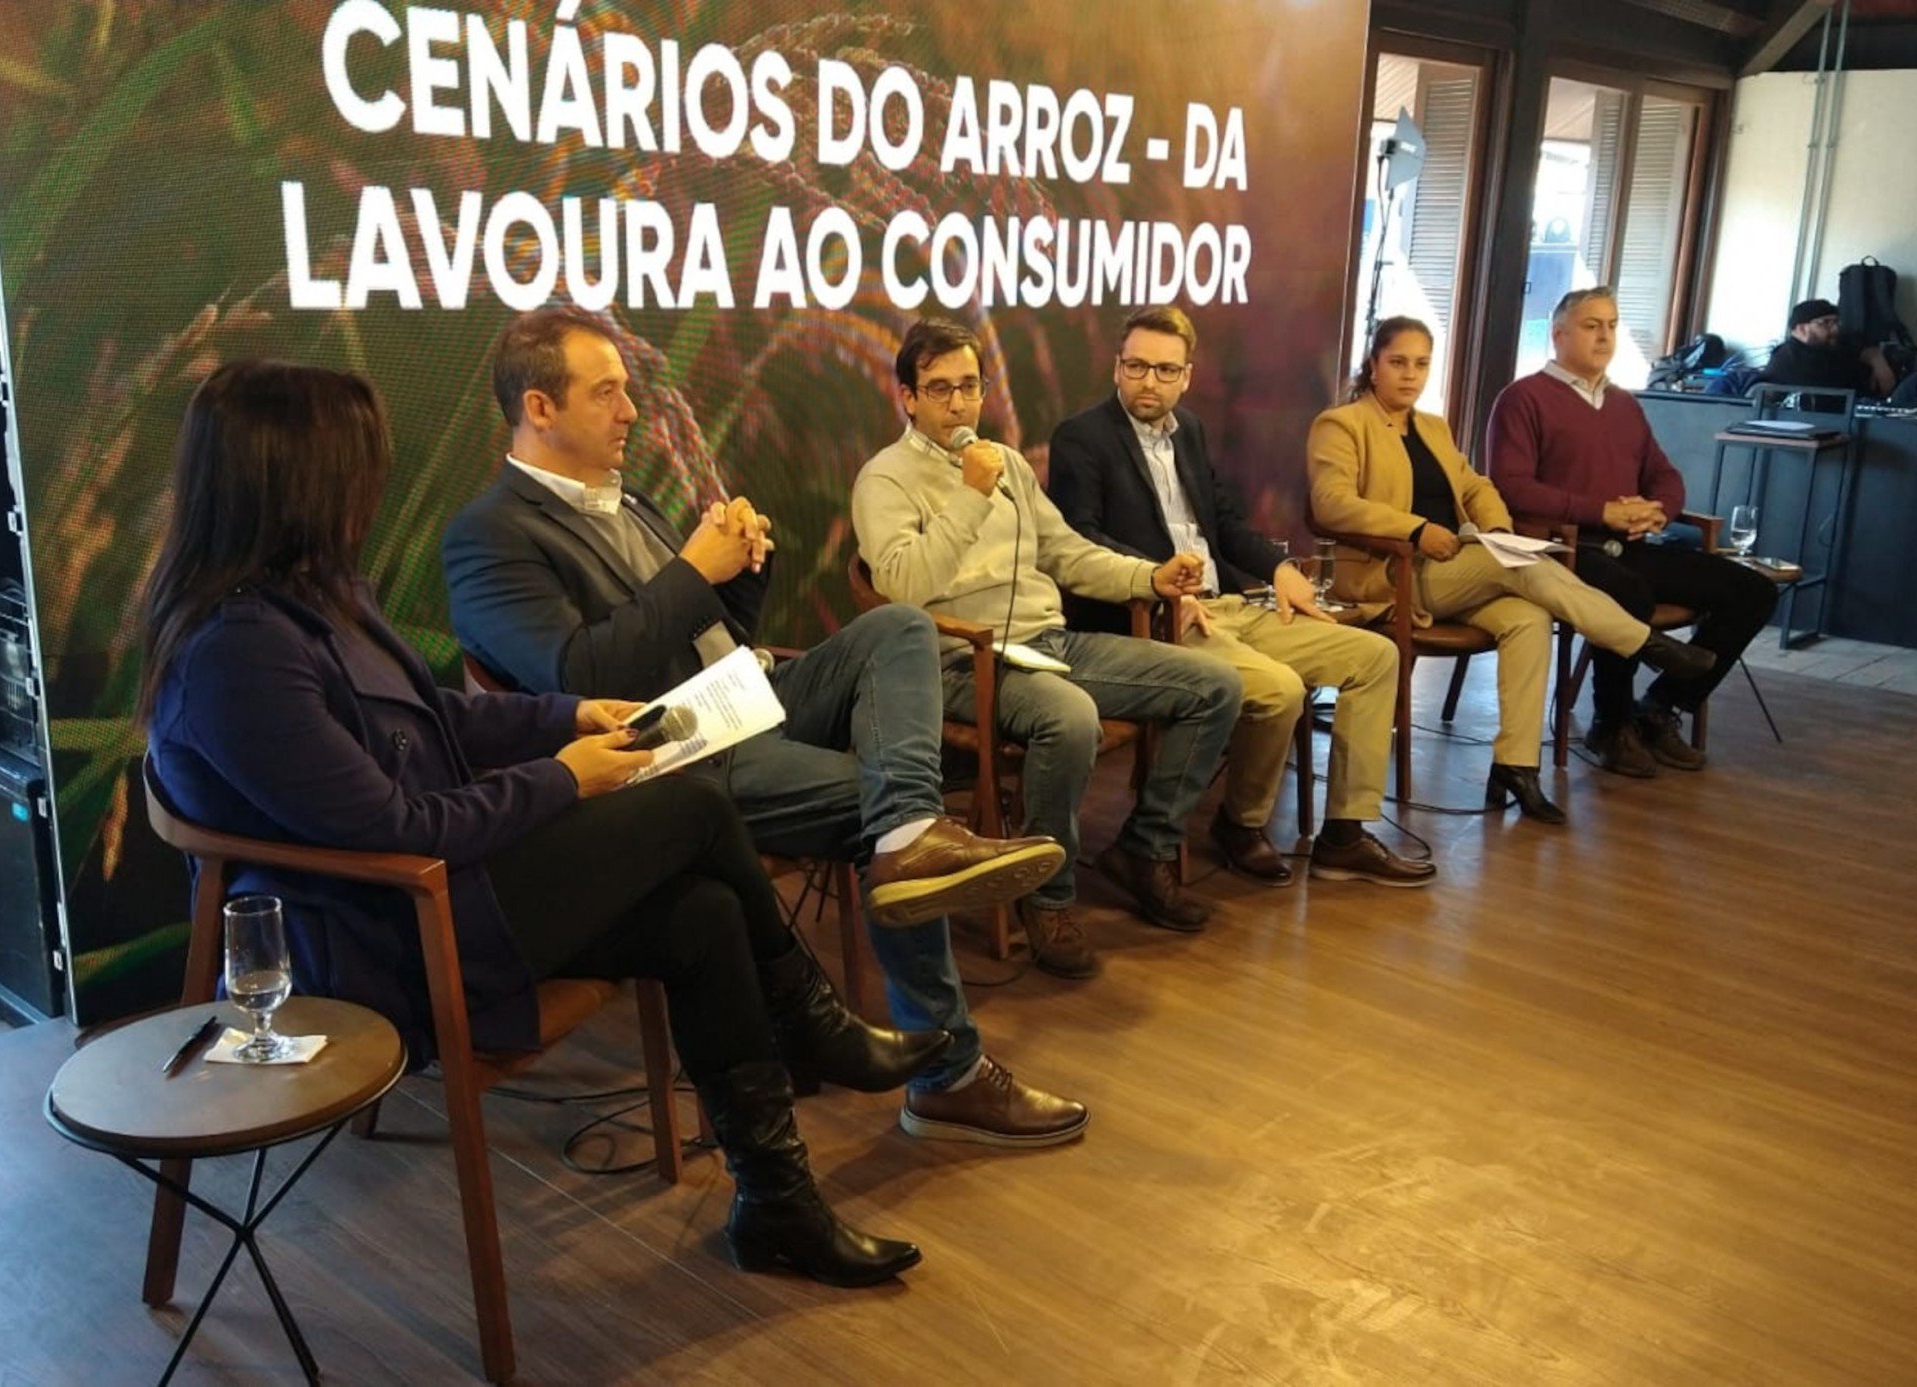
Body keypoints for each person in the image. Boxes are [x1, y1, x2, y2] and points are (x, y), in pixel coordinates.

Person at [141, 359, 938, 1287]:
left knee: (702, 917)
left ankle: (777, 1202)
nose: (373, 486)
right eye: (358, 467)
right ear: (295, 480)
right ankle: (811, 1022)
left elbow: (442, 717)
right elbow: (397, 826)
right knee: (690, 802)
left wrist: (567, 717)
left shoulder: (311, 598)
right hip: (394, 939)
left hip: (452, 893)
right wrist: (564, 780)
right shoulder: (237, 652)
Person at [443, 309, 1087, 1150]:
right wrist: (690, 569)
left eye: (629, 392)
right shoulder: (488, 534)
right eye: (607, 394)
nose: (632, 412)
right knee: (878, 807)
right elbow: (578, 679)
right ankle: (950, 1075)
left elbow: (702, 628)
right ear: (539, 407)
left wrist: (744, 568)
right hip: (668, 752)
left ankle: (910, 831)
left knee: (899, 629)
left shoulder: (626, 497)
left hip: (742, 693)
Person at [853, 318, 1244, 978]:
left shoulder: (1004, 461)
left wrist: (1146, 577)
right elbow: (903, 585)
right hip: (957, 661)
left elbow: (1065, 552)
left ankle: (1145, 848)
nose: (957, 403)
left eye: (969, 386)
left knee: (1215, 685)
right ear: (907, 397)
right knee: (1069, 716)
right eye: (940, 388)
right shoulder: (885, 479)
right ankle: (1048, 895)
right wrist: (971, 496)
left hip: (1048, 640)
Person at [1049, 306, 1434, 888]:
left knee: (1376, 657)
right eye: (1137, 367)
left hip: (1226, 600)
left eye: (1164, 370)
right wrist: (1156, 581)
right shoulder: (1082, 437)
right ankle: (1240, 823)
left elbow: (1223, 523)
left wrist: (1279, 568)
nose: (1149, 381)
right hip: (1149, 614)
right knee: (1278, 690)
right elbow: (1080, 537)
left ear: (1187, 375)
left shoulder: (1191, 432)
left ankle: (1345, 834)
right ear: (1116, 369)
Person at [1310, 316, 1716, 823]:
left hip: (1459, 565)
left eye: (1420, 364)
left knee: (1528, 617)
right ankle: (1644, 644)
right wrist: (1416, 529)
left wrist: (1498, 531)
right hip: (1397, 573)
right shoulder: (1341, 424)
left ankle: (1516, 766)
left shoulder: (1432, 426)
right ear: (1373, 366)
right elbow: (1331, 504)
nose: (1410, 375)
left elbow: (1477, 486)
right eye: (1397, 363)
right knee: (1527, 570)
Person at [1486, 289, 1777, 777]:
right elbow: (1512, 489)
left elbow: (1664, 475)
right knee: (1629, 594)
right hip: (1565, 550)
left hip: (1632, 544)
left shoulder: (1624, 404)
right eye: (1591, 325)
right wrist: (1602, 511)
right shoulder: (1523, 398)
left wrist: (1658, 511)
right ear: (1558, 334)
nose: (1605, 336)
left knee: (1752, 590)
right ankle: (1611, 724)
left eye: (1612, 325)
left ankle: (1659, 707)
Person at [1762, 298, 1896, 398]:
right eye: (1826, 323)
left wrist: (1877, 359)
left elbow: (1861, 346)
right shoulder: (1788, 359)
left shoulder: (1829, 346)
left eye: (1836, 322)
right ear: (1802, 329)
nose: (1835, 329)